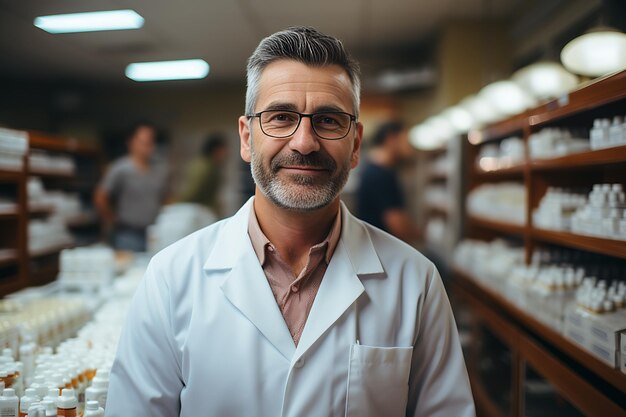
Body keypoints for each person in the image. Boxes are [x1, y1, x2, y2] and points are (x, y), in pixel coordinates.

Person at [106, 27, 475, 417]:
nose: (304, 142)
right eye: (281, 117)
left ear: (355, 144)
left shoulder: (415, 281)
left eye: (329, 120)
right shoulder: (171, 277)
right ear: (247, 139)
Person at [94, 123, 168, 252]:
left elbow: (164, 197)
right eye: (143, 142)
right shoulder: (120, 168)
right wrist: (112, 219)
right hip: (128, 233)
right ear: (131, 142)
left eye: (151, 143)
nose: (148, 147)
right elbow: (101, 196)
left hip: (153, 232)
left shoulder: (159, 169)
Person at [357, 121, 421, 243]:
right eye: (406, 140)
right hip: (382, 250)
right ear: (391, 139)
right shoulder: (381, 175)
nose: (409, 146)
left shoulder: (372, 169)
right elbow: (396, 223)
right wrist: (420, 237)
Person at [177, 132, 228, 216]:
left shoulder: (210, 166)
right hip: (199, 212)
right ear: (216, 150)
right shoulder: (205, 167)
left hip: (202, 211)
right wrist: (178, 202)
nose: (226, 154)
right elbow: (193, 191)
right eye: (224, 150)